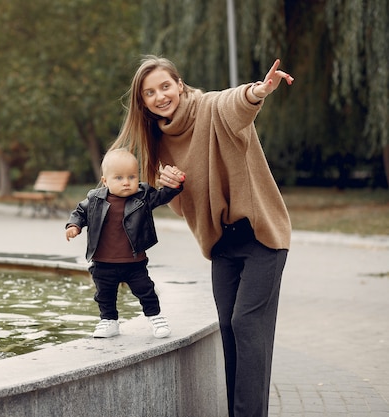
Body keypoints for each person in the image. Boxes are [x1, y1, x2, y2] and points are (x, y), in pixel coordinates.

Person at [109, 56, 294, 417]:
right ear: (143, 102)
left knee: (246, 324)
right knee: (227, 327)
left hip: (261, 236)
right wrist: (170, 188)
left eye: (165, 86)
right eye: (150, 92)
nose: (160, 96)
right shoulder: (157, 143)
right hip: (221, 245)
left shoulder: (210, 107)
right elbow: (183, 208)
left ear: (179, 84)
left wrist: (259, 91)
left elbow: (236, 103)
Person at [65, 148, 185, 339]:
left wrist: (175, 185)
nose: (127, 182)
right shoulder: (94, 199)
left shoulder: (143, 196)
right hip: (103, 262)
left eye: (132, 176)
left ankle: (155, 317)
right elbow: (80, 212)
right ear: (105, 181)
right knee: (104, 295)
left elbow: (162, 196)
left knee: (146, 290)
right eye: (119, 178)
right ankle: (109, 321)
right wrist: (74, 226)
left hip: (134, 262)